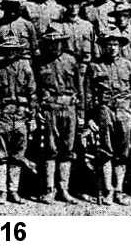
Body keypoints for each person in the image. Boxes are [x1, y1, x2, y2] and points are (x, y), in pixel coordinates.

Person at [86, 30, 131, 205]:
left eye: (115, 44)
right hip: (105, 111)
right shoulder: (94, 67)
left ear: (120, 46)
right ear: (102, 46)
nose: (111, 47)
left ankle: (119, 190)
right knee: (105, 152)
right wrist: (90, 119)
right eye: (108, 44)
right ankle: (108, 190)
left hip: (125, 112)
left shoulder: (129, 66)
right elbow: (88, 95)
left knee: (123, 153)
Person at [0, 36, 37, 205]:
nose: (10, 53)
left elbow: (32, 94)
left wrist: (34, 117)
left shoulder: (26, 68)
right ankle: (2, 191)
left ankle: (14, 190)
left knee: (18, 155)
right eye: (7, 49)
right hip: (3, 116)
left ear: (18, 51)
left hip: (21, 116)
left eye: (13, 49)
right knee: (1, 155)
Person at [34, 27, 82, 205]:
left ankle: (64, 189)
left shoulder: (71, 61)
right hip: (49, 109)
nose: (54, 46)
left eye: (57, 42)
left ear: (62, 42)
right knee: (50, 148)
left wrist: (81, 113)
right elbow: (35, 89)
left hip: (69, 108)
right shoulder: (40, 62)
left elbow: (80, 89)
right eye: (50, 43)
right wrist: (37, 110)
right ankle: (49, 189)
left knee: (67, 149)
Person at [0, 0, 37, 67]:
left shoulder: (28, 25)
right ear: (4, 7)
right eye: (9, 6)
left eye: (15, 6)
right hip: (3, 64)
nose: (12, 10)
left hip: (24, 62)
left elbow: (34, 48)